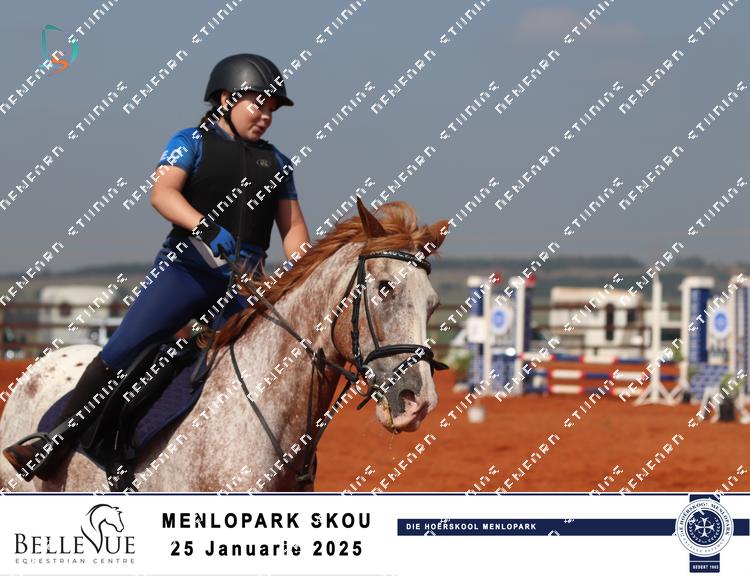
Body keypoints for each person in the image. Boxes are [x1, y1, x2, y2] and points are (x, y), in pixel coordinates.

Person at [3, 54, 311, 481]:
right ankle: (53, 439)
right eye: (258, 104)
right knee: (123, 348)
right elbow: (162, 193)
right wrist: (205, 226)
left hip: (242, 285)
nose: (266, 116)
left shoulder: (277, 163)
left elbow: (293, 229)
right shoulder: (189, 141)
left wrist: (300, 273)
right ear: (226, 98)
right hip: (186, 273)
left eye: (272, 109)